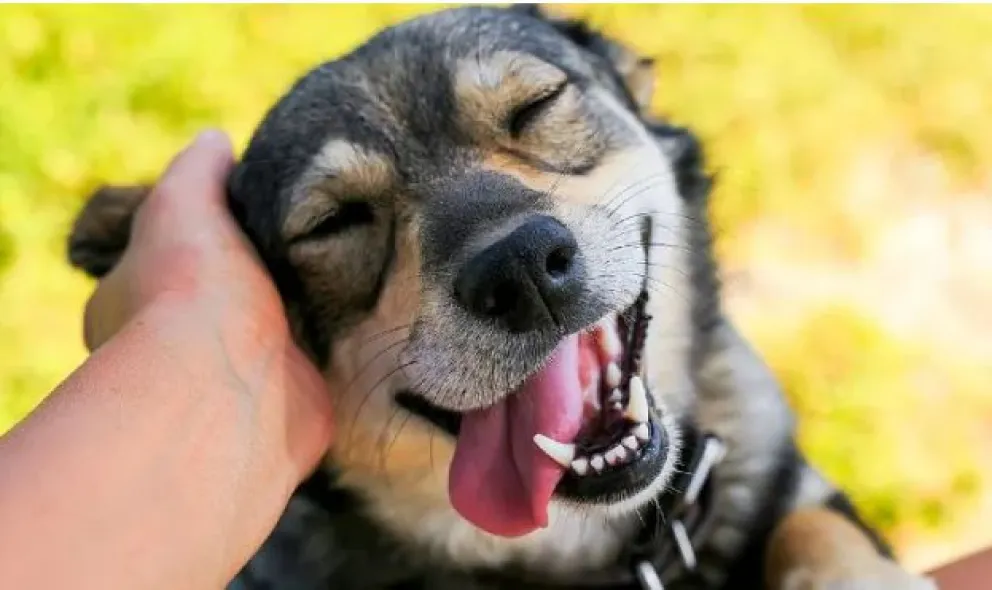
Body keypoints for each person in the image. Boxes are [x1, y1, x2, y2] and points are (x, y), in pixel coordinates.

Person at [0, 130, 982, 589]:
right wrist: (193, 337)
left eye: (534, 113)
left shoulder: (736, 420)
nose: (513, 245)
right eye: (341, 218)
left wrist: (820, 550)